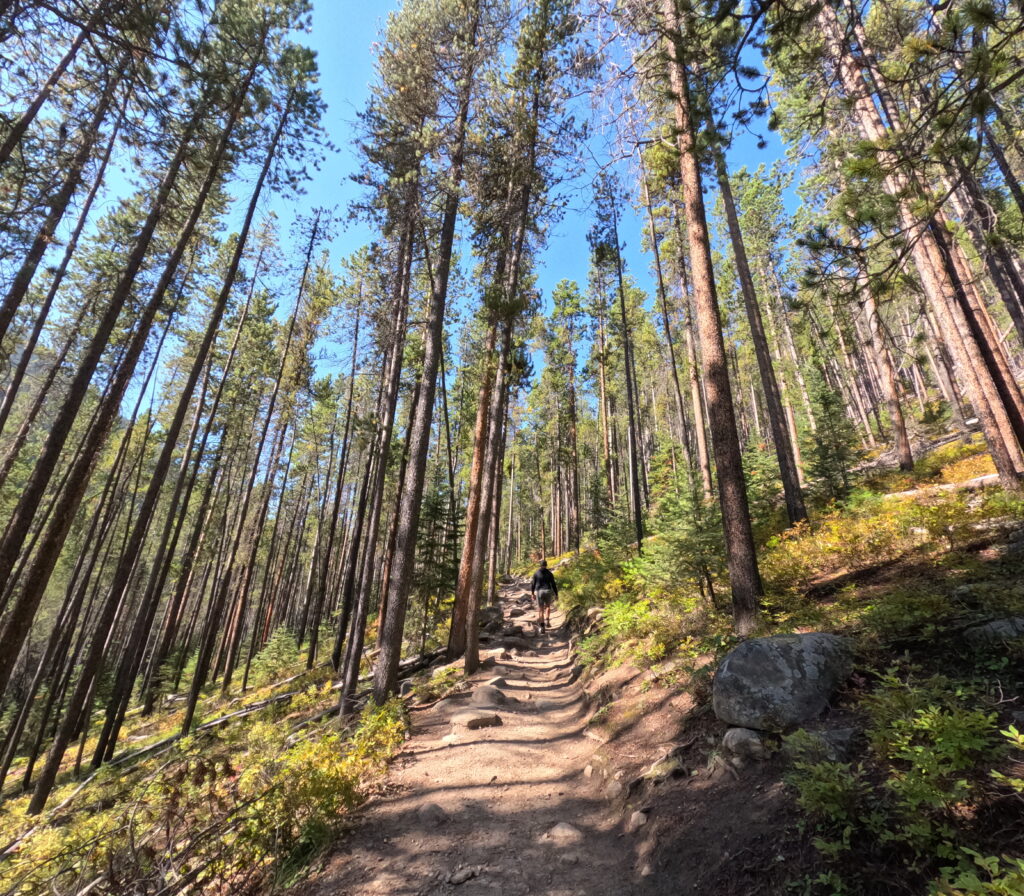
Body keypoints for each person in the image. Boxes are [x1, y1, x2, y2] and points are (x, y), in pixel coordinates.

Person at [530, 559, 558, 632]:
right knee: (548, 606)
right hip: (548, 591)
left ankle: (542, 627)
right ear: (546, 565)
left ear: (540, 565)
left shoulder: (536, 573)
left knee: (540, 609)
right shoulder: (549, 573)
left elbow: (533, 584)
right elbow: (553, 584)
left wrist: (532, 593)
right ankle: (547, 621)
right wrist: (556, 594)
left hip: (539, 592)